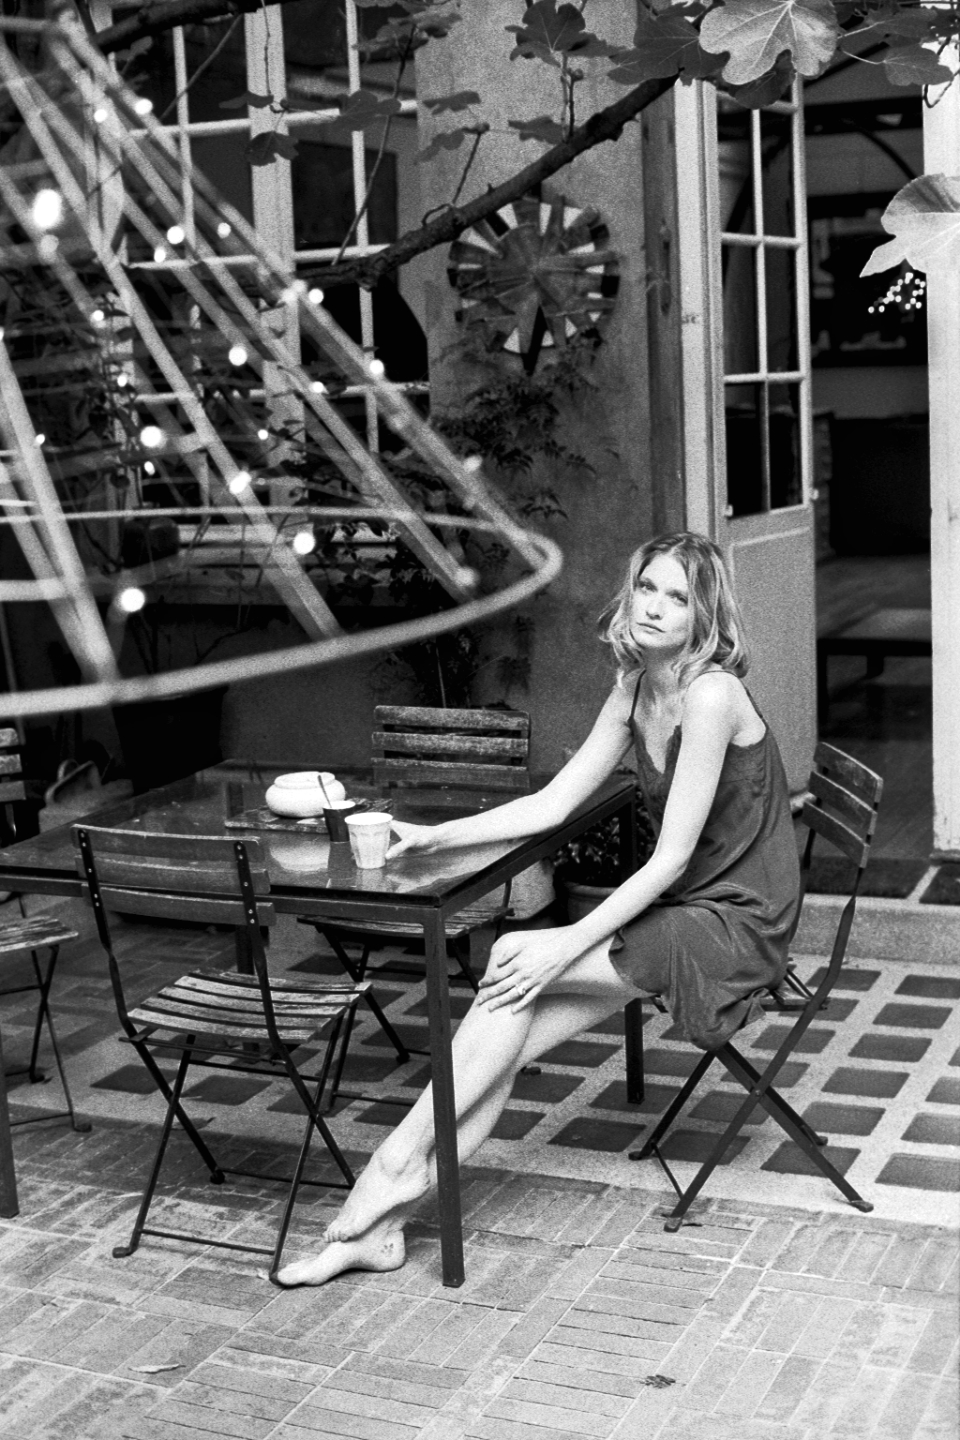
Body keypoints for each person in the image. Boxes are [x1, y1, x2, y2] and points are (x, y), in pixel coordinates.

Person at [275, 531, 801, 1288]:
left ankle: (389, 1174)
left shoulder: (710, 694)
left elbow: (673, 859)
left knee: (518, 968)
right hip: (687, 906)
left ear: (705, 616)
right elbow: (554, 802)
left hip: (736, 922)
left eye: (678, 598)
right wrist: (431, 836)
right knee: (506, 1024)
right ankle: (383, 1222)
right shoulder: (634, 686)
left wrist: (562, 945)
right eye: (647, 587)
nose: (655, 607)